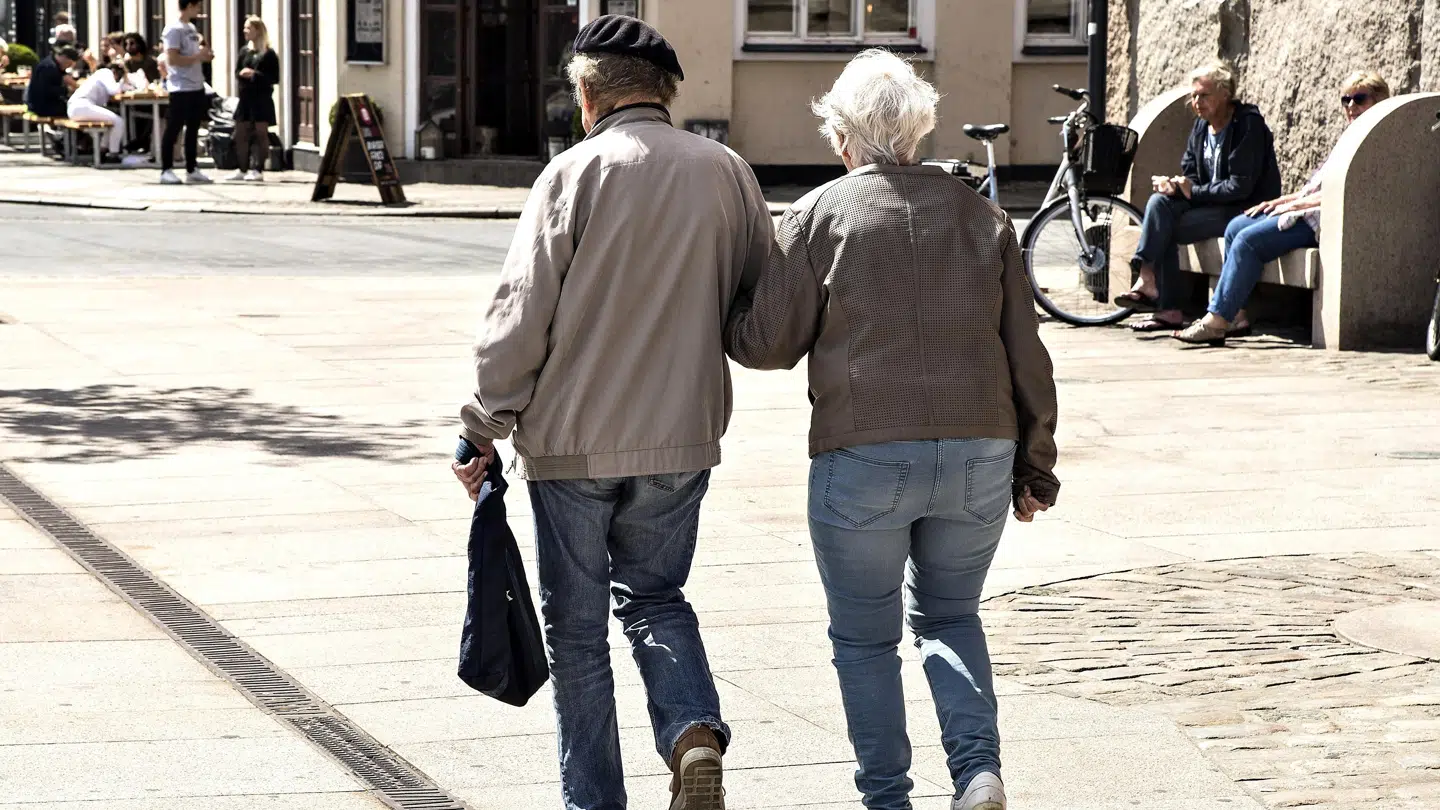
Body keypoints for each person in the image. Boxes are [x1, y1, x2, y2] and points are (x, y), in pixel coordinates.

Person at [449, 15, 772, 810]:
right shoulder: (728, 171)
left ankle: (595, 802)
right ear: (665, 91)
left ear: (588, 96)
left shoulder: (572, 174)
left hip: (573, 447)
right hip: (683, 438)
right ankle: (694, 731)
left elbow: (519, 318)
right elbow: (763, 306)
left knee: (579, 636)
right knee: (658, 596)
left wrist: (481, 423)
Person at [724, 49, 1060, 810]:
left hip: (865, 450)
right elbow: (1026, 352)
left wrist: (731, 306)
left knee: (865, 642)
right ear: (917, 131)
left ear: (844, 134)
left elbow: (768, 346)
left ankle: (887, 798)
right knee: (950, 616)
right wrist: (1035, 466)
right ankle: (977, 773)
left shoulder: (819, 213)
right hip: (982, 447)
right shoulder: (983, 215)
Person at [1174, 71, 1392, 346]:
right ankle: (1237, 315)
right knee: (1236, 226)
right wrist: (1285, 200)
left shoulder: (1376, 141)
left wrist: (1301, 204)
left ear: (1380, 101)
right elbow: (1315, 188)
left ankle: (1216, 320)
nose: (1351, 107)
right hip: (1305, 209)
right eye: (1345, 99)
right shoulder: (1350, 136)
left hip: (1323, 220)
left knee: (1248, 241)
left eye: (1359, 99)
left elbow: (1355, 192)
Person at [1113, 59, 1282, 334]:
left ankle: (1163, 302)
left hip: (1244, 209)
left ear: (1225, 94)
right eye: (1193, 96)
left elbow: (1240, 188)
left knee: (1163, 226)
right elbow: (1191, 169)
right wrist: (1176, 185)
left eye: (1204, 95)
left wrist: (1193, 191)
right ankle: (1147, 279)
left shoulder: (1246, 125)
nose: (1197, 102)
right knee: (1160, 203)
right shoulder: (1202, 127)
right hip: (1211, 205)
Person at [158, 0, 214, 184]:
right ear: (189, 5)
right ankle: (166, 169)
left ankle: (192, 168)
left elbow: (193, 55)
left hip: (196, 85)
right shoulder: (173, 29)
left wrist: (204, 56)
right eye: (198, 6)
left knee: (193, 129)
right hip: (180, 87)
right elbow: (172, 59)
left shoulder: (190, 28)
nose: (199, 10)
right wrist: (197, 56)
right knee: (174, 128)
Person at [228, 16, 278, 182]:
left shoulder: (269, 54)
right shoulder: (244, 51)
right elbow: (236, 71)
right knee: (241, 132)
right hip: (246, 98)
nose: (245, 31)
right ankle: (242, 168)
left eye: (248, 28)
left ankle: (258, 168)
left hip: (261, 99)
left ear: (258, 30)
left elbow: (274, 77)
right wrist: (241, 74)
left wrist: (255, 75)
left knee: (260, 133)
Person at [66, 60, 143, 164]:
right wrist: (124, 77)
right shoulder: (105, 72)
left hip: (79, 107)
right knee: (119, 122)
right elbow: (115, 90)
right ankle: (113, 155)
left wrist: (126, 80)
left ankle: (102, 152)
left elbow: (128, 88)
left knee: (110, 123)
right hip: (81, 105)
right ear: (114, 71)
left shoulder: (102, 77)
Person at [24, 45, 79, 119]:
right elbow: (46, 90)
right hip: (41, 106)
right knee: (76, 109)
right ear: (64, 57)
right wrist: (67, 90)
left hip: (43, 103)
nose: (68, 67)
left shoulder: (52, 63)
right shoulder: (49, 67)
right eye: (68, 64)